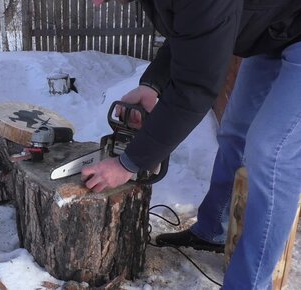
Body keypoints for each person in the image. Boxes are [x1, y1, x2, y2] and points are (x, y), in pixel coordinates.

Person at [84, 0, 301, 289]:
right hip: (273, 32)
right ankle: (212, 231)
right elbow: (190, 33)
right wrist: (153, 84)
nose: (97, 3)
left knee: (270, 154)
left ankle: (246, 285)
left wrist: (129, 163)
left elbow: (195, 88)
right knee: (234, 132)